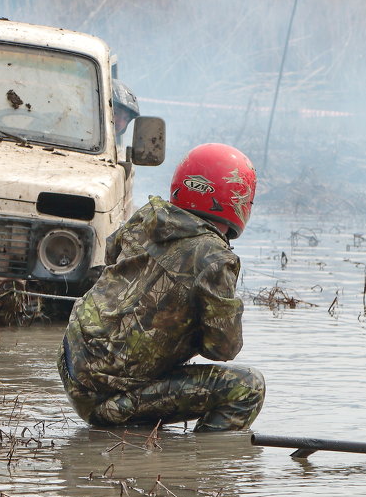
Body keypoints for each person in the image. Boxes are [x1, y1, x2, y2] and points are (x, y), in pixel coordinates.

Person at [58, 144, 265, 432]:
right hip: (109, 398)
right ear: (238, 199)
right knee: (248, 388)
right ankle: (202, 467)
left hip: (73, 372)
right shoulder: (215, 257)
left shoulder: (147, 219)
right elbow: (223, 348)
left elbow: (111, 256)